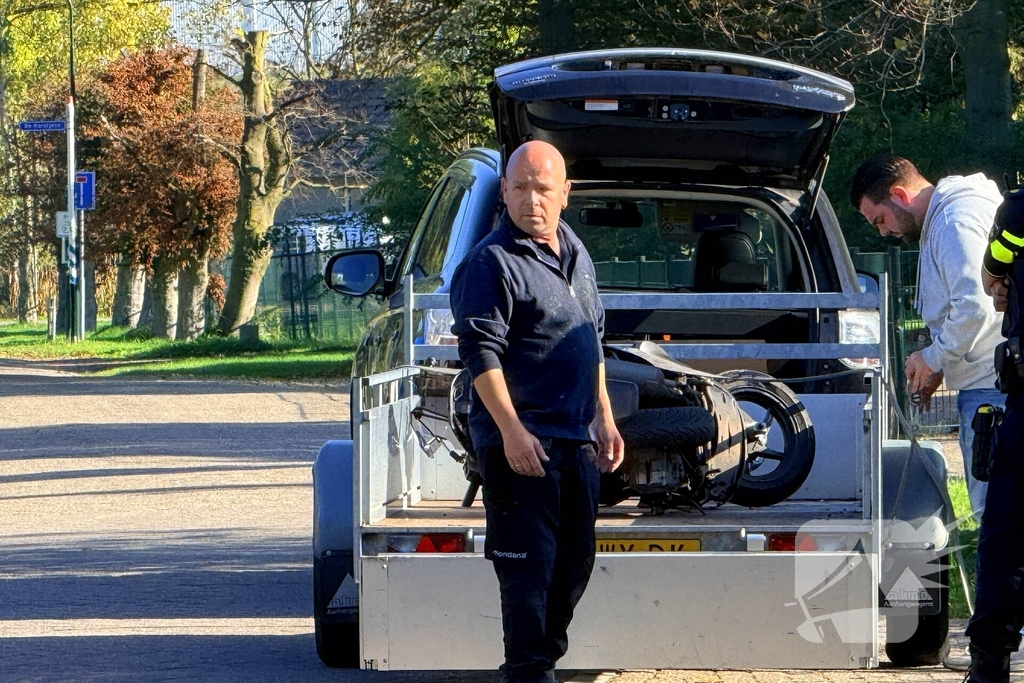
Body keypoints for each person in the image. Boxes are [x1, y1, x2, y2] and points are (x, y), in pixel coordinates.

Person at [449, 140, 624, 683]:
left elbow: (590, 339)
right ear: (504, 190)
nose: (531, 200)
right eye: (519, 187)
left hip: (574, 439)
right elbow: (481, 354)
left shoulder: (575, 253)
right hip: (520, 446)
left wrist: (604, 416)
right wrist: (511, 432)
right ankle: (529, 670)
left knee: (575, 566)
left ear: (565, 194)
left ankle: (539, 661)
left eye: (543, 189)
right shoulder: (490, 264)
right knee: (528, 575)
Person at [850, 154, 1005, 515]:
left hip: (992, 393)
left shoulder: (953, 221)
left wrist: (931, 358)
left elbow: (974, 305)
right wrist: (939, 366)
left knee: (998, 522)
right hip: (995, 383)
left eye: (881, 219)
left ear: (900, 195)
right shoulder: (953, 214)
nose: (884, 232)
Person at [965, 189, 1024, 683]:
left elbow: (992, 273)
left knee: (1005, 534)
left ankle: (989, 666)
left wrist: (1009, 282)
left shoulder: (1021, 212)